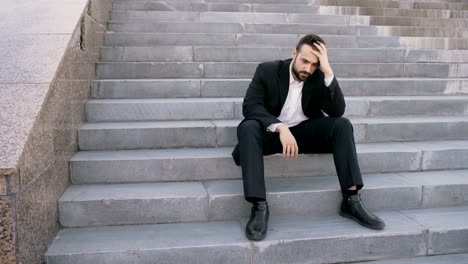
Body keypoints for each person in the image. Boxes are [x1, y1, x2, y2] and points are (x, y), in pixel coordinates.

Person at [231, 34, 385, 241]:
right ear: (294, 54)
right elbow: (250, 106)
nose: (308, 69)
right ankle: (259, 207)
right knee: (248, 127)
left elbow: (337, 111)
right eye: (305, 61)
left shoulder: (318, 75)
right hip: (273, 135)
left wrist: (328, 71)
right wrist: (280, 128)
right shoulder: (267, 70)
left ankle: (351, 200)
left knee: (342, 125)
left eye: (314, 64)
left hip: (304, 133)